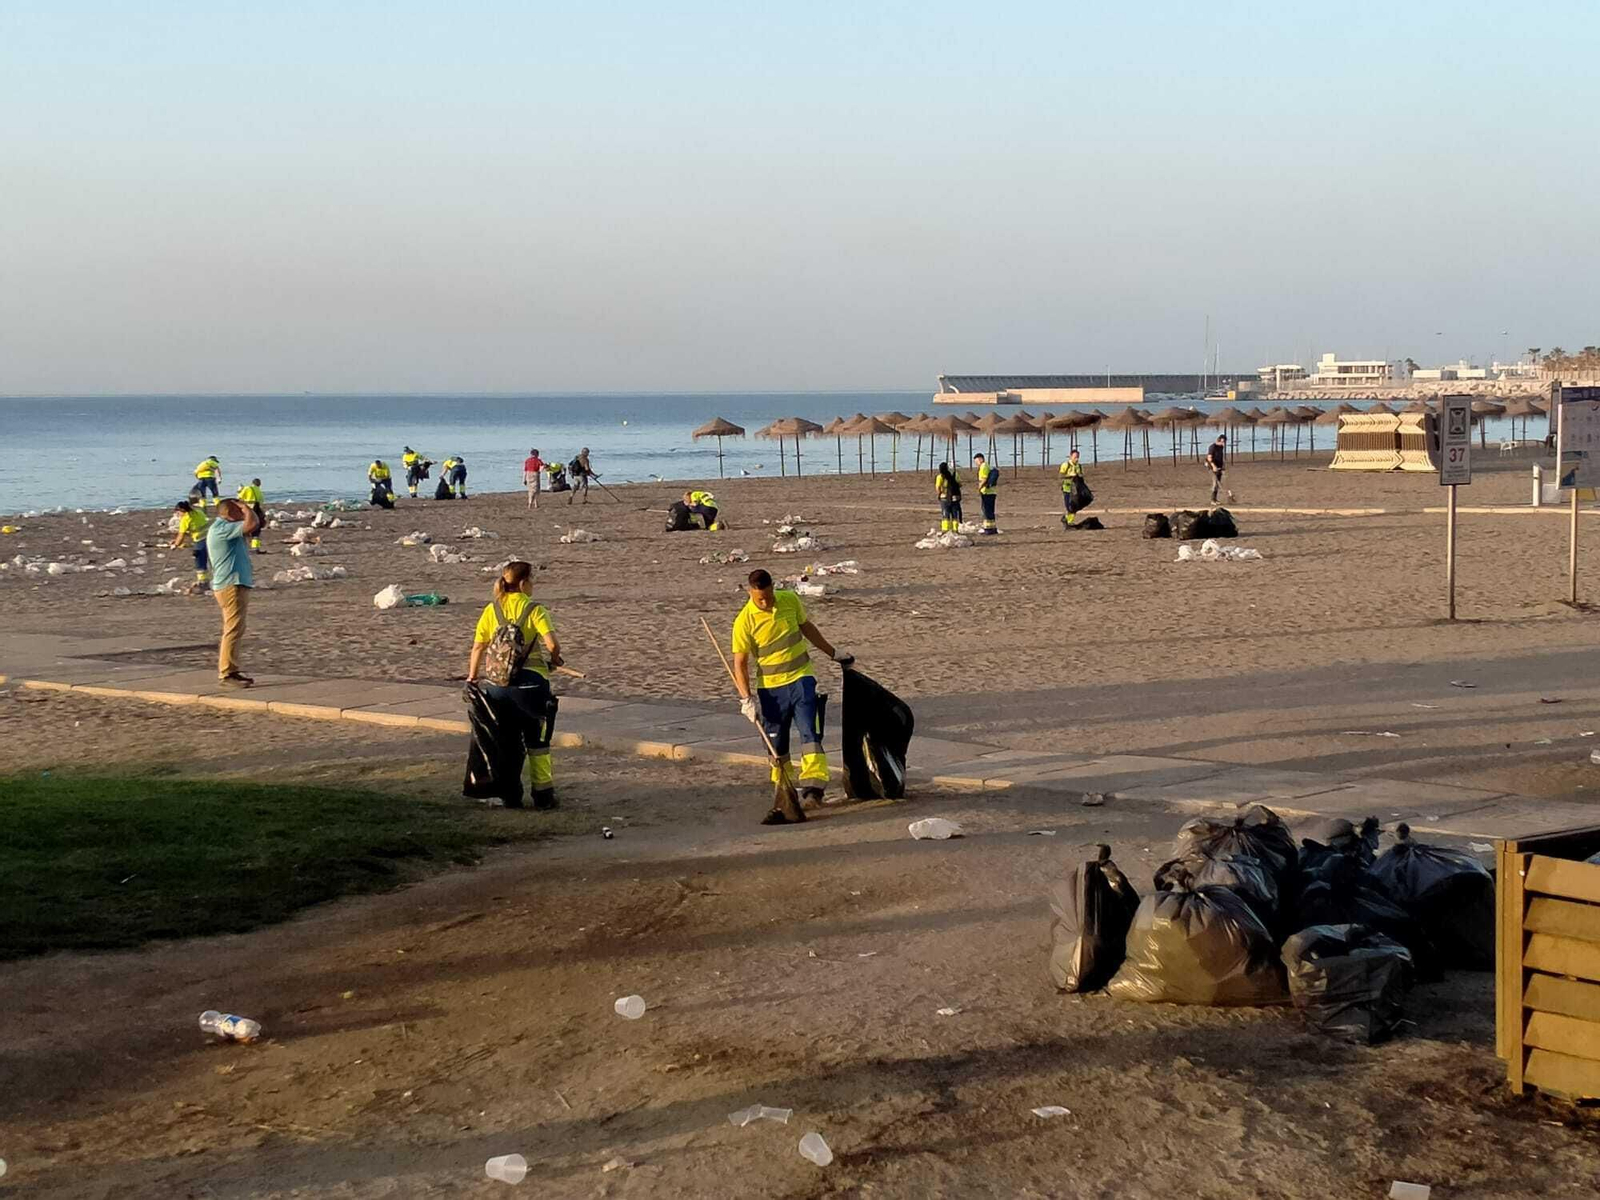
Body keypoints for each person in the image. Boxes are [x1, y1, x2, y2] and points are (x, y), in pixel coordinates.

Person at [731, 568, 852, 824]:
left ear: (773, 588)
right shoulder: (744, 621)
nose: (765, 602)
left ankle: (813, 789)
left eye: (768, 596)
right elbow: (739, 663)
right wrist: (746, 699)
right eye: (759, 599)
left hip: (802, 679)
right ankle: (784, 790)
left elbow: (807, 628)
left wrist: (833, 653)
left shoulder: (790, 600)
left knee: (810, 733)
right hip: (771, 691)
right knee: (777, 746)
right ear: (750, 592)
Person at [465, 561, 563, 809]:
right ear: (523, 583)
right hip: (531, 686)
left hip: (497, 686)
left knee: (505, 742)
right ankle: (543, 795)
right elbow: (552, 644)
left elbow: (478, 647)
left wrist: (472, 677)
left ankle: (510, 795)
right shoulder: (534, 609)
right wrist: (555, 659)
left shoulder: (492, 609)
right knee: (537, 741)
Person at [205, 497, 260, 687]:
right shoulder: (222, 528)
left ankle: (231, 669)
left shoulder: (227, 529)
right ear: (230, 513)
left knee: (236, 628)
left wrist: (249, 510)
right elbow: (251, 524)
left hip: (233, 583)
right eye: (239, 511)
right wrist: (246, 508)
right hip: (230, 584)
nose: (242, 514)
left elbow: (256, 524)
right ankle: (227, 672)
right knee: (233, 628)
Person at [170, 499, 212, 592]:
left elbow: (181, 536)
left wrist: (175, 545)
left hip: (200, 541)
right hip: (211, 537)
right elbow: (197, 526)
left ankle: (203, 583)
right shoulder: (198, 512)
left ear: (181, 511)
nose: (178, 515)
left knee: (200, 561)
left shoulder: (185, 519)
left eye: (178, 513)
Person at [235, 477, 266, 552]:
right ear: (259, 485)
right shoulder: (258, 490)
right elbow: (262, 500)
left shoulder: (247, 488)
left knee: (244, 526)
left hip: (248, 508)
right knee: (257, 528)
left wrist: (239, 491)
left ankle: (242, 546)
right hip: (257, 509)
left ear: (252, 483)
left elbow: (239, 497)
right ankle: (256, 547)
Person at [972, 452, 998, 535]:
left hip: (986, 492)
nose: (976, 464)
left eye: (976, 461)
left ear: (980, 459)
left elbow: (984, 479)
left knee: (986, 511)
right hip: (992, 491)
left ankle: (988, 529)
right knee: (990, 510)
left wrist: (979, 488)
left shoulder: (983, 467)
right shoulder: (988, 466)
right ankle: (993, 528)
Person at [1059, 448, 1086, 528]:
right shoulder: (1066, 465)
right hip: (1067, 488)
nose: (1076, 459)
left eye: (1077, 457)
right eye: (1075, 457)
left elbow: (1081, 476)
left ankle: (1069, 521)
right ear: (1070, 457)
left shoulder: (1079, 466)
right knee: (1069, 506)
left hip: (1076, 489)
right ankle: (1067, 520)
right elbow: (1061, 476)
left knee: (1075, 506)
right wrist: (1070, 477)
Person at [935, 461, 961, 532]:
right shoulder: (955, 475)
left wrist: (939, 495)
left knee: (945, 514)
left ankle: (945, 530)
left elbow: (938, 487)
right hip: (955, 497)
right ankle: (955, 530)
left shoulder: (940, 477)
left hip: (944, 497)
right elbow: (960, 484)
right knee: (955, 515)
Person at [1207, 433, 1229, 504]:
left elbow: (1221, 457)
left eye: (1224, 442)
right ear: (1218, 440)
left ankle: (1215, 499)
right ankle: (1212, 500)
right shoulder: (1212, 447)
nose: (1223, 444)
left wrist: (1223, 466)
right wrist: (1213, 466)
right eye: (1222, 442)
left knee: (1218, 483)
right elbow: (1209, 458)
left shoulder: (1221, 447)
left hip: (1219, 467)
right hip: (1212, 467)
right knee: (1215, 483)